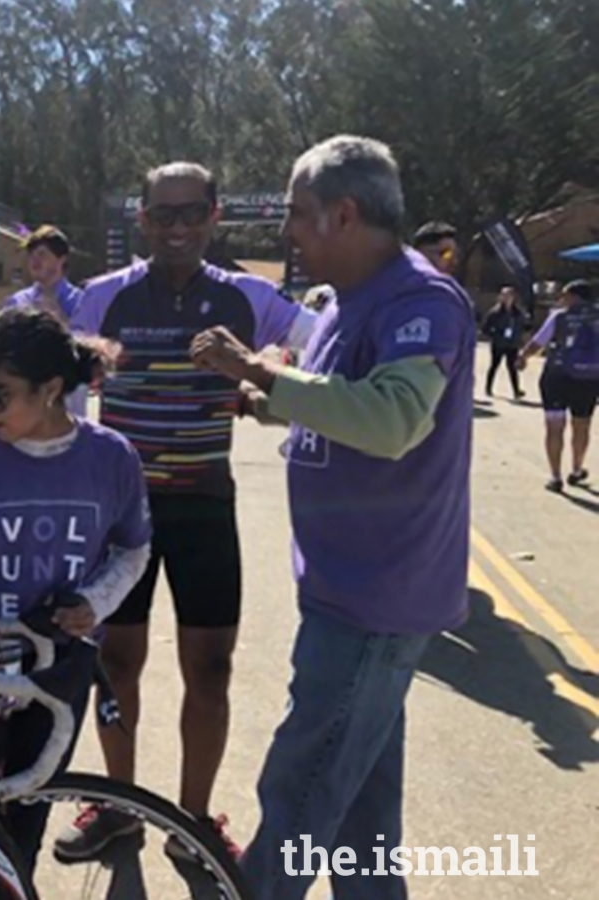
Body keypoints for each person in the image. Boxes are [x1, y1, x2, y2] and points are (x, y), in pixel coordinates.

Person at [192, 135, 475, 900]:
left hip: (374, 601)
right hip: (350, 592)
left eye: (299, 215)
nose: (288, 232)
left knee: (297, 797)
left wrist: (258, 371)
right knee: (361, 818)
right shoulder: (349, 304)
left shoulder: (421, 300)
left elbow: (391, 421)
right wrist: (267, 402)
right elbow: (335, 399)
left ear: (345, 215)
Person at [61, 162, 313, 858]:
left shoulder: (250, 297)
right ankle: (117, 809)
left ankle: (191, 820)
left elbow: (321, 344)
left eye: (190, 214)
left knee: (212, 670)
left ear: (213, 215)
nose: (176, 229)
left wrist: (260, 367)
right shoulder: (102, 298)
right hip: (121, 516)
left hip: (205, 506)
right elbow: (52, 381)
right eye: (162, 216)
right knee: (116, 664)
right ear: (141, 220)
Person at [0, 306, 151, 891]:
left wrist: (96, 602)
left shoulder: (111, 457)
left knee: (20, 832)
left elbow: (133, 550)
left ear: (50, 391)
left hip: (55, 674)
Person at [518, 279, 599, 491]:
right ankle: (576, 469)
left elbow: (537, 343)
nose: (561, 299)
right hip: (588, 380)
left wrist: (523, 357)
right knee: (582, 425)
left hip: (556, 376)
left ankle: (555, 477)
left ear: (574, 296)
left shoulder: (559, 317)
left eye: (564, 295)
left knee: (554, 426)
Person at [5, 226, 87, 418]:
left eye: (42, 254)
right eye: (31, 254)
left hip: (66, 399)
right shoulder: (17, 302)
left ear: (61, 259)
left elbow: (86, 350)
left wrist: (59, 317)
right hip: (26, 398)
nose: (34, 260)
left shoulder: (80, 301)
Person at [481, 285, 529, 399]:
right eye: (504, 295)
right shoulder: (495, 312)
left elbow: (524, 326)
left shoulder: (518, 313)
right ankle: (488, 388)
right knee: (494, 365)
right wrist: (496, 334)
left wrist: (521, 336)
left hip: (512, 344)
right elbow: (485, 328)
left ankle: (516, 391)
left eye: (509, 295)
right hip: (498, 344)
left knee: (512, 367)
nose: (506, 298)